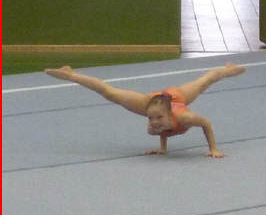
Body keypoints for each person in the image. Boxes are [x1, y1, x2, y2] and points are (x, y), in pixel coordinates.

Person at [44, 63, 246, 158]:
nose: (153, 123)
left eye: (156, 119)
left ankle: (226, 70)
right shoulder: (153, 117)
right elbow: (163, 126)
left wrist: (213, 148)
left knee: (204, 82)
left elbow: (206, 124)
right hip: (153, 103)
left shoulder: (185, 117)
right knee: (109, 93)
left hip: (176, 98)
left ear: (170, 115)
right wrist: (163, 147)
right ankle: (71, 74)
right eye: (150, 119)